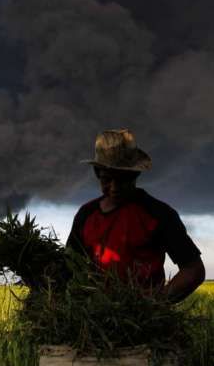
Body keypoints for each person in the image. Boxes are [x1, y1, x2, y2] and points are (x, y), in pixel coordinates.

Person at [66, 129, 205, 303]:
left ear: (135, 174)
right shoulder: (86, 214)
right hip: (91, 319)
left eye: (122, 179)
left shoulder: (159, 214)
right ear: (97, 174)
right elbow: (68, 266)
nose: (114, 187)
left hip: (142, 325)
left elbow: (193, 270)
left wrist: (154, 303)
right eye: (107, 179)